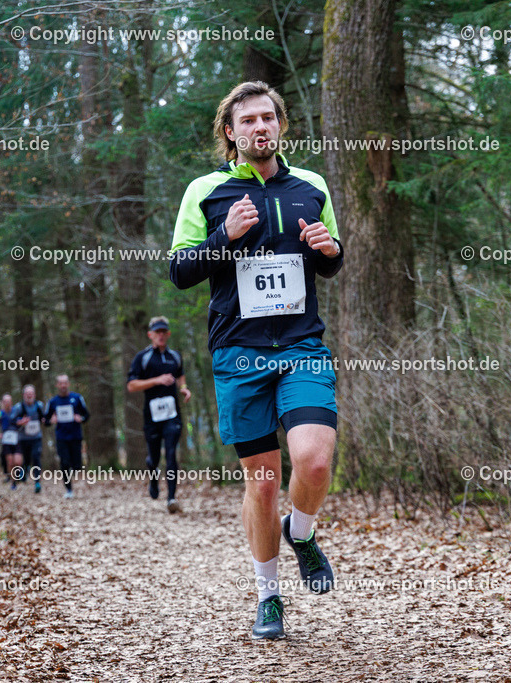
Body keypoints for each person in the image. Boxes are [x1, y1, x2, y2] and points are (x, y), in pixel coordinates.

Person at [169, 81, 344, 639]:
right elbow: (179, 271)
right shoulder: (206, 191)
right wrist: (225, 234)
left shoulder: (311, 186)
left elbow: (331, 261)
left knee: (313, 462)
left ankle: (303, 531)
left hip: (301, 346)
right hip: (239, 352)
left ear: (281, 125)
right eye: (247, 121)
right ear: (230, 132)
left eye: (268, 118)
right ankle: (269, 597)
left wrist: (329, 250)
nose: (259, 128)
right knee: (264, 484)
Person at [127, 316, 192, 513]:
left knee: (171, 453)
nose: (161, 336)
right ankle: (153, 479)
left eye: (164, 332)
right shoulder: (143, 358)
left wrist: (184, 388)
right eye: (157, 332)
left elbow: (180, 374)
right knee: (153, 458)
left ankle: (171, 497)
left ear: (168, 334)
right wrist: (157, 380)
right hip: (152, 415)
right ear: (151, 335)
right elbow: (131, 385)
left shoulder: (175, 356)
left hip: (172, 414)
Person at [43, 374, 90, 498]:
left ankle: (73, 473)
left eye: (65, 383)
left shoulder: (77, 398)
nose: (63, 385)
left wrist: (81, 418)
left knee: (77, 465)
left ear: (68, 384)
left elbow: (87, 415)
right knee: (64, 463)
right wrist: (51, 420)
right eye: (61, 383)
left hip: (76, 436)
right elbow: (45, 420)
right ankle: (69, 490)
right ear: (57, 385)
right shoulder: (53, 402)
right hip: (61, 437)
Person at [11, 385, 46, 494]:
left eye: (31, 393)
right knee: (25, 460)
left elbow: (44, 418)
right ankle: (25, 470)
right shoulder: (18, 407)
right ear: (24, 395)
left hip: (36, 437)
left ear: (34, 395)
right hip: (23, 439)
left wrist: (46, 420)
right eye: (27, 393)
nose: (29, 395)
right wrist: (21, 422)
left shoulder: (39, 405)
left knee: (36, 457)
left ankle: (37, 482)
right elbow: (12, 421)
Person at [0, 394, 23, 490]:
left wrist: (23, 422)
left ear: (11, 402)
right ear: (2, 403)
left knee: (17, 461)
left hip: (16, 438)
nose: (7, 403)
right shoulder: (0, 413)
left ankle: (19, 474)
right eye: (5, 401)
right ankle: (13, 482)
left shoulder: (16, 411)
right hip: (6, 440)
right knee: (10, 461)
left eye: (9, 401)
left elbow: (22, 420)